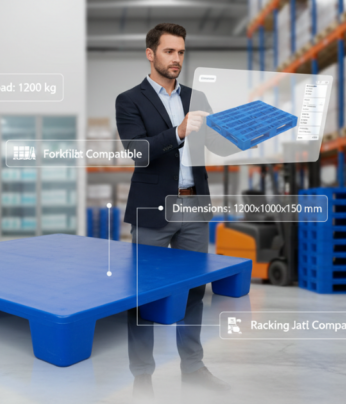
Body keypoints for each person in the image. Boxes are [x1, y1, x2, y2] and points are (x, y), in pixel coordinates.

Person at [114, 23, 233, 397]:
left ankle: (193, 367)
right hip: (153, 208)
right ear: (151, 54)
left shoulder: (197, 97)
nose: (177, 59)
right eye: (169, 52)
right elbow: (138, 152)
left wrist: (239, 133)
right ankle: (142, 375)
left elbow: (217, 145)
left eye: (181, 52)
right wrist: (179, 132)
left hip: (193, 205)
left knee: (195, 290)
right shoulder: (129, 100)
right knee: (143, 292)